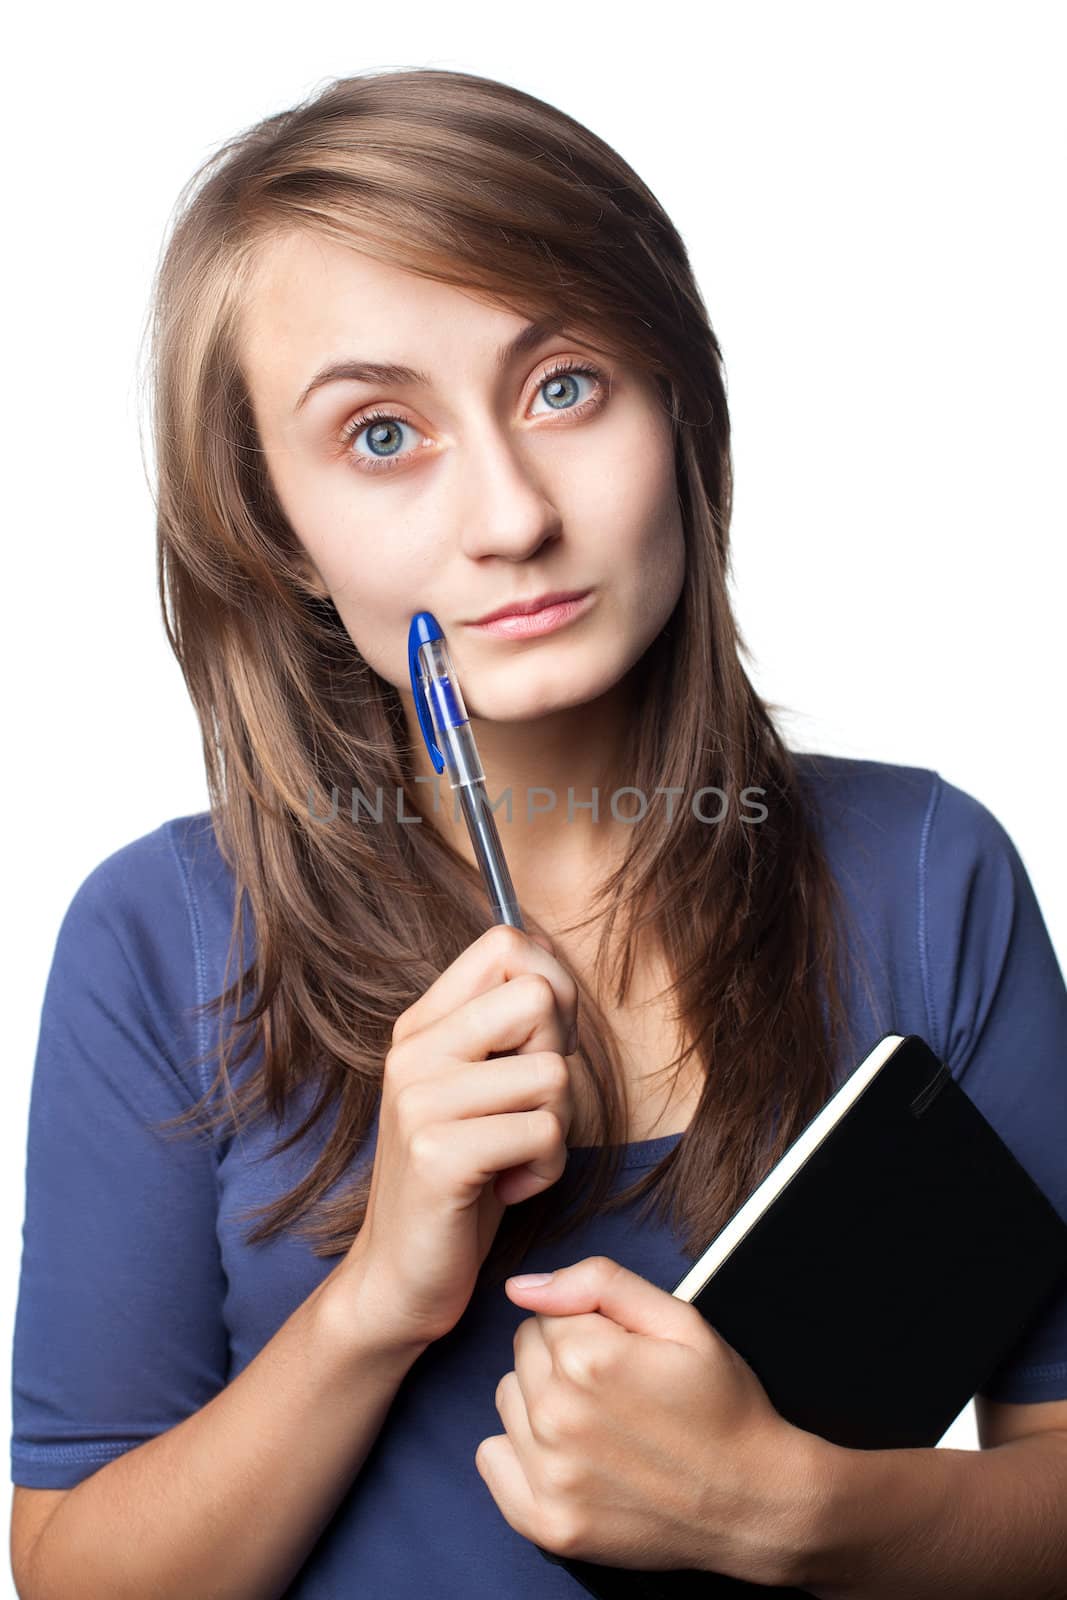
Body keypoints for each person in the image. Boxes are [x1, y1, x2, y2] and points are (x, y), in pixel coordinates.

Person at [9, 67, 1067, 1600]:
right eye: (382, 436)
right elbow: (70, 1577)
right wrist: (375, 1298)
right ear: (274, 528)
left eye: (563, 385)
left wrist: (791, 1511)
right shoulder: (156, 939)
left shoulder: (925, 879)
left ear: (683, 403)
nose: (509, 514)